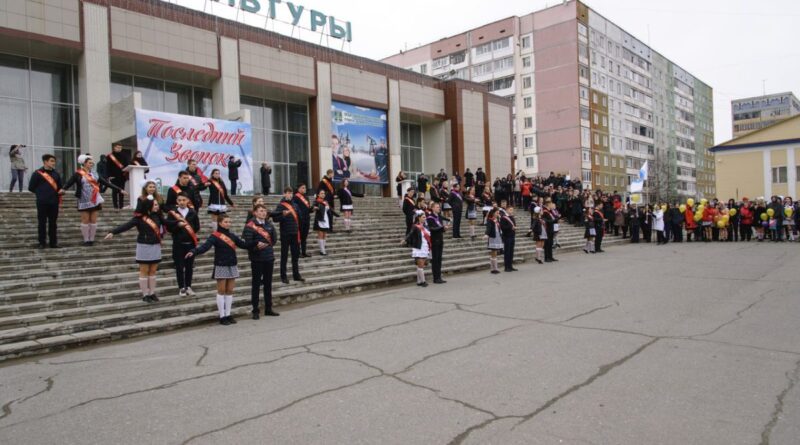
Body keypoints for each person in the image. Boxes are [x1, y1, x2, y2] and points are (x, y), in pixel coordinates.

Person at [187, 213, 261, 325]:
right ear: (220, 223)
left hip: (232, 264)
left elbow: (244, 245)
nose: (228, 224)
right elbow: (205, 247)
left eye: (229, 222)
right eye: (226, 222)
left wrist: (255, 242)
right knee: (221, 291)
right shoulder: (215, 236)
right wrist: (194, 251)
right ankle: (222, 316)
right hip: (221, 265)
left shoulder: (232, 235)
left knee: (230, 291)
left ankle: (228, 314)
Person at [104, 194, 166, 303]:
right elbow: (126, 226)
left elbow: (168, 224)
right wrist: (113, 232)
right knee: (144, 270)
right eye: (155, 205)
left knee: (152, 271)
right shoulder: (139, 218)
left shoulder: (158, 216)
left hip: (155, 245)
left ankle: (152, 293)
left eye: (157, 205)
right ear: (148, 206)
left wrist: (179, 223)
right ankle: (145, 294)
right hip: (144, 246)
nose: (157, 207)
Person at [62, 154, 126, 246]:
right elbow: (69, 182)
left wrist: (119, 190)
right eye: (89, 163)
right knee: (85, 220)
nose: (92, 164)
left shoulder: (95, 174)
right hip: (83, 199)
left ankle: (91, 239)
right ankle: (86, 240)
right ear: (84, 163)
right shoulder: (78, 173)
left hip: (95, 199)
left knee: (93, 220)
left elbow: (106, 183)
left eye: (92, 163)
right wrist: (63, 189)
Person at [242, 204, 279, 319]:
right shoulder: (249, 226)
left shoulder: (269, 224)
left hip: (269, 257)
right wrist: (256, 247)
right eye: (261, 211)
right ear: (255, 213)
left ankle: (268, 308)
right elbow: (247, 243)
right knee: (256, 285)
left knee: (268, 284)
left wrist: (267, 246)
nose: (263, 213)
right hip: (257, 259)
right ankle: (255, 310)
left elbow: (274, 239)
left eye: (264, 211)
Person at [165, 193, 200, 298]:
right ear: (177, 201)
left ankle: (188, 286)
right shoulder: (172, 213)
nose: (182, 202)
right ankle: (182, 287)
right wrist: (178, 227)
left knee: (189, 267)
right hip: (178, 244)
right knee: (179, 267)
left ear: (188, 200)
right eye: (179, 200)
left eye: (184, 200)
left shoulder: (193, 212)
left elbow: (197, 227)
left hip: (190, 244)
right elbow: (169, 228)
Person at [28, 154, 64, 248]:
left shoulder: (56, 174)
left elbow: (60, 187)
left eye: (54, 161)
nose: (54, 163)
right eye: (51, 161)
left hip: (54, 202)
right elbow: (31, 188)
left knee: (53, 223)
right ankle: (42, 242)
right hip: (42, 202)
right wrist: (41, 193)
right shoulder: (37, 173)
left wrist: (61, 191)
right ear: (45, 162)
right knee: (42, 222)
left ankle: (53, 243)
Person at [272, 187, 304, 284]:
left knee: (295, 256)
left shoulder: (295, 205)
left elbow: (300, 217)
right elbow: (275, 219)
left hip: (295, 233)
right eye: (288, 193)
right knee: (284, 256)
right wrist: (283, 215)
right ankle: (283, 276)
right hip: (285, 234)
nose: (290, 195)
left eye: (291, 193)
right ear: (284, 194)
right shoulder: (281, 205)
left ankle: (296, 275)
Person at [404, 212, 431, 287]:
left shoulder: (426, 226)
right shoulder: (415, 226)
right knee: (421, 264)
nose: (424, 218)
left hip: (425, 247)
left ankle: (419, 281)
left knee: (421, 265)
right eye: (423, 217)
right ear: (419, 218)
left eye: (425, 217)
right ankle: (423, 281)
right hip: (418, 247)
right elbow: (410, 233)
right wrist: (405, 239)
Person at [426, 202, 447, 284]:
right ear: (433, 208)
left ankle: (439, 276)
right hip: (434, 240)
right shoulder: (430, 218)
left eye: (439, 207)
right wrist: (442, 227)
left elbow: (440, 228)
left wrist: (444, 229)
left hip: (440, 239)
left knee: (439, 259)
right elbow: (432, 229)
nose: (439, 208)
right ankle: (436, 277)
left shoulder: (439, 217)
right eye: (437, 207)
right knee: (435, 259)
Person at [314, 189, 339, 255]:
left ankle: (323, 249)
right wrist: (314, 208)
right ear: (318, 194)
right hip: (320, 219)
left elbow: (330, 209)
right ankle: (322, 251)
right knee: (321, 235)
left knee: (324, 235)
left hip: (326, 220)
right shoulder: (317, 201)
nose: (323, 194)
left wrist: (336, 214)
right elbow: (313, 207)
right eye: (321, 193)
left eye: (324, 193)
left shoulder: (326, 202)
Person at [106, 143, 130, 209]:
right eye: (118, 147)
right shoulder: (110, 156)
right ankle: (115, 206)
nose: (119, 149)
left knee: (121, 191)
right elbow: (107, 167)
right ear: (114, 148)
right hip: (114, 176)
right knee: (114, 191)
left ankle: (121, 206)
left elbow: (127, 165)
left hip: (122, 176)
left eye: (120, 147)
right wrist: (109, 175)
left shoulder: (124, 156)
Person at [292, 184, 313, 257]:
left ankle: (304, 252)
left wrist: (312, 209)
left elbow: (308, 209)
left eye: (305, 188)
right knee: (298, 237)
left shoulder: (306, 197)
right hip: (299, 220)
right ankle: (297, 253)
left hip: (306, 219)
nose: (304, 189)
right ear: (298, 189)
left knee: (304, 237)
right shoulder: (295, 197)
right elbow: (295, 209)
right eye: (303, 188)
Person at [484, 207, 503, 274]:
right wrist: (486, 234)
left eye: (498, 212)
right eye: (497, 212)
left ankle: (494, 268)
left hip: (497, 236)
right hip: (493, 237)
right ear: (493, 213)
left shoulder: (497, 219)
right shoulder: (490, 220)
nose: (498, 214)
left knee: (495, 253)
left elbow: (499, 228)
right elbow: (488, 228)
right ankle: (494, 268)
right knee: (494, 252)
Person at [499, 205, 517, 272]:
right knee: (507, 252)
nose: (512, 211)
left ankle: (510, 266)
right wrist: (511, 228)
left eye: (512, 210)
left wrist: (514, 228)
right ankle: (506, 267)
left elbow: (514, 225)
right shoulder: (503, 218)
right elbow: (502, 227)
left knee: (511, 252)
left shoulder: (512, 217)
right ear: (507, 210)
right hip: (507, 236)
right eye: (510, 210)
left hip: (512, 236)